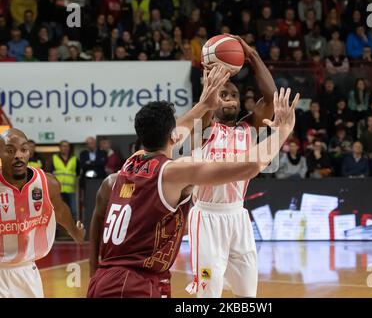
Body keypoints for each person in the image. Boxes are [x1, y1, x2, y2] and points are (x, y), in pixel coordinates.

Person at [87, 90, 298, 298]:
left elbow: (96, 221)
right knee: (210, 290)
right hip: (131, 284)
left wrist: (205, 103)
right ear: (173, 136)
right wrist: (283, 131)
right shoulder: (175, 171)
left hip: (106, 278)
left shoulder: (131, 162)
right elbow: (251, 165)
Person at [186, 34, 280, 298]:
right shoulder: (202, 128)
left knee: (248, 293)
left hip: (238, 216)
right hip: (206, 217)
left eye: (233, 95)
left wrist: (252, 55)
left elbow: (271, 97)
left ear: (240, 103)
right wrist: (212, 85)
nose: (228, 99)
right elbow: (206, 106)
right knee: (209, 291)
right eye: (223, 94)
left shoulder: (249, 129)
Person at [0, 129, 85, 298]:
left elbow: (60, 210)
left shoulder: (47, 183)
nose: (18, 155)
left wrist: (74, 232)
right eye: (10, 150)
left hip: (28, 271)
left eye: (23, 149)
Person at [49, 141, 80, 220]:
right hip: (57, 190)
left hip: (71, 190)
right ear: (60, 147)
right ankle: (56, 230)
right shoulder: (54, 158)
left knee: (73, 210)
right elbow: (49, 173)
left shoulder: (74, 159)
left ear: (69, 148)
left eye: (67, 146)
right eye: (63, 146)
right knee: (56, 210)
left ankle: (75, 229)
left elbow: (78, 172)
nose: (65, 148)